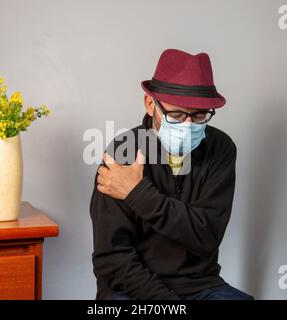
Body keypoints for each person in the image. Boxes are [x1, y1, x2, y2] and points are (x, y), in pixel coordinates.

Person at [89, 48, 254, 300]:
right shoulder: (123, 152)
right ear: (149, 104)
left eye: (199, 115)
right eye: (176, 114)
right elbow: (111, 258)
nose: (188, 125)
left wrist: (137, 193)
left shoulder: (221, 148)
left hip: (201, 287)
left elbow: (206, 236)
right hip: (131, 289)